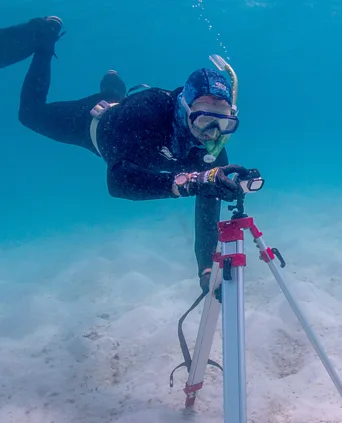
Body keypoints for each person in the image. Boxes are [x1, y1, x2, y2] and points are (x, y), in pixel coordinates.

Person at [17, 16, 251, 294]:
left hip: (124, 117)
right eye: (203, 121)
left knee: (121, 102)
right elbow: (117, 182)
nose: (212, 133)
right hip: (92, 125)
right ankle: (45, 39)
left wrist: (205, 269)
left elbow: (207, 213)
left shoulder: (211, 151)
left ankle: (114, 89)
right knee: (29, 116)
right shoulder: (148, 111)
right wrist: (187, 183)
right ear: (185, 108)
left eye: (223, 122)